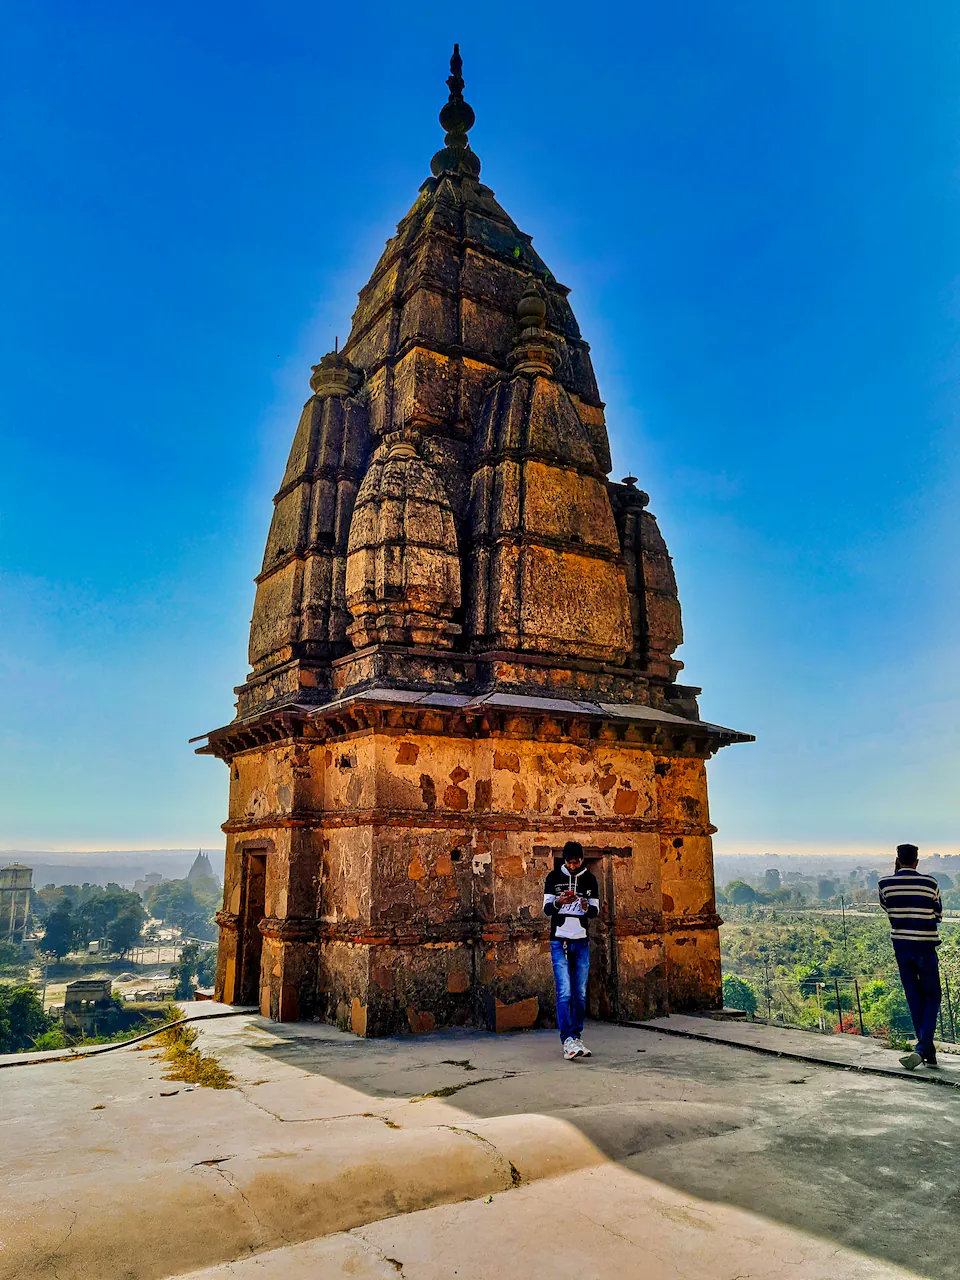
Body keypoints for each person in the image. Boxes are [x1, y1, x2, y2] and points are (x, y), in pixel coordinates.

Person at [878, 843, 943, 1070]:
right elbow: (938, 914)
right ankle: (923, 1049)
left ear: (897, 859)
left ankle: (927, 1053)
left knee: (914, 997)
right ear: (917, 861)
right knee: (933, 996)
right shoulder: (930, 883)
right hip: (925, 947)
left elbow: (888, 910)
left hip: (901, 947)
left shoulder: (885, 884)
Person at [543, 840, 600, 1060]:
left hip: (581, 940)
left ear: (582, 860)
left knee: (580, 992)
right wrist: (559, 901)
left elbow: (594, 911)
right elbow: (547, 909)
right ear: (564, 861)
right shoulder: (553, 878)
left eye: (576, 862)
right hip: (559, 940)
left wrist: (586, 907)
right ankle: (566, 1039)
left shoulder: (590, 880)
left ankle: (576, 1036)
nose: (573, 866)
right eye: (569, 862)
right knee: (564, 991)